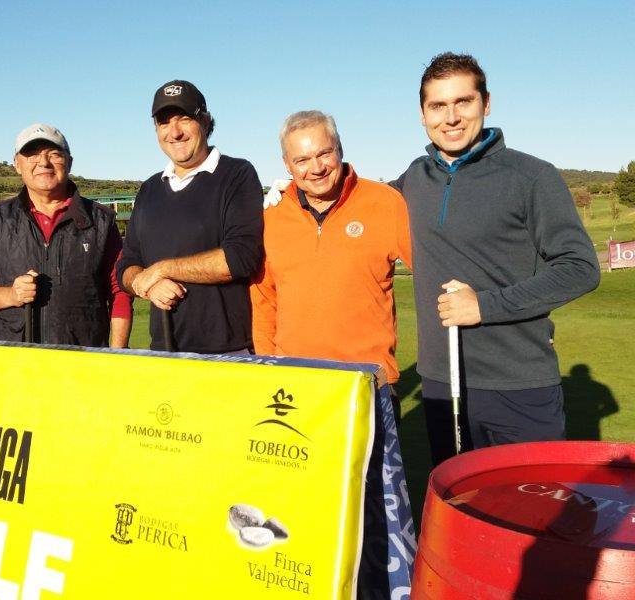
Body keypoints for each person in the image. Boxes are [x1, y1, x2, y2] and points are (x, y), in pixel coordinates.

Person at [391, 53, 600, 465]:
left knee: (532, 517)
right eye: (437, 106)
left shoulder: (532, 176)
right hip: (440, 382)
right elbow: (356, 207)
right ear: (422, 114)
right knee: (461, 516)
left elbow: (580, 268)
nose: (450, 117)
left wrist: (483, 307)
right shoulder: (413, 179)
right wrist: (288, 197)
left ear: (486, 104)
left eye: (463, 102)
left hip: (519, 384)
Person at [251, 111, 412, 389]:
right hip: (295, 381)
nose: (316, 168)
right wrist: (270, 368)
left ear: (340, 149)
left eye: (324, 153)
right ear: (287, 165)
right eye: (301, 160)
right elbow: (265, 300)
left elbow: (434, 272)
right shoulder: (272, 215)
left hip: (369, 381)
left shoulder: (386, 202)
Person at [117, 80, 263, 353]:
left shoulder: (236, 175)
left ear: (205, 122)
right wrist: (144, 285)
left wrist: (161, 269)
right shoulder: (149, 189)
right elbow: (127, 265)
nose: (175, 132)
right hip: (164, 352)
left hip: (227, 353)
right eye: (164, 122)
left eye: (184, 119)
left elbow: (241, 258)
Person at [0, 123, 132, 347]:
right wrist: (10, 295)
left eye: (54, 154)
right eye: (32, 154)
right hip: (14, 362)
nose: (43, 162)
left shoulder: (101, 220)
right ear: (17, 164)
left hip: (83, 362)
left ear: (69, 162)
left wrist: (117, 354)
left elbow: (119, 291)